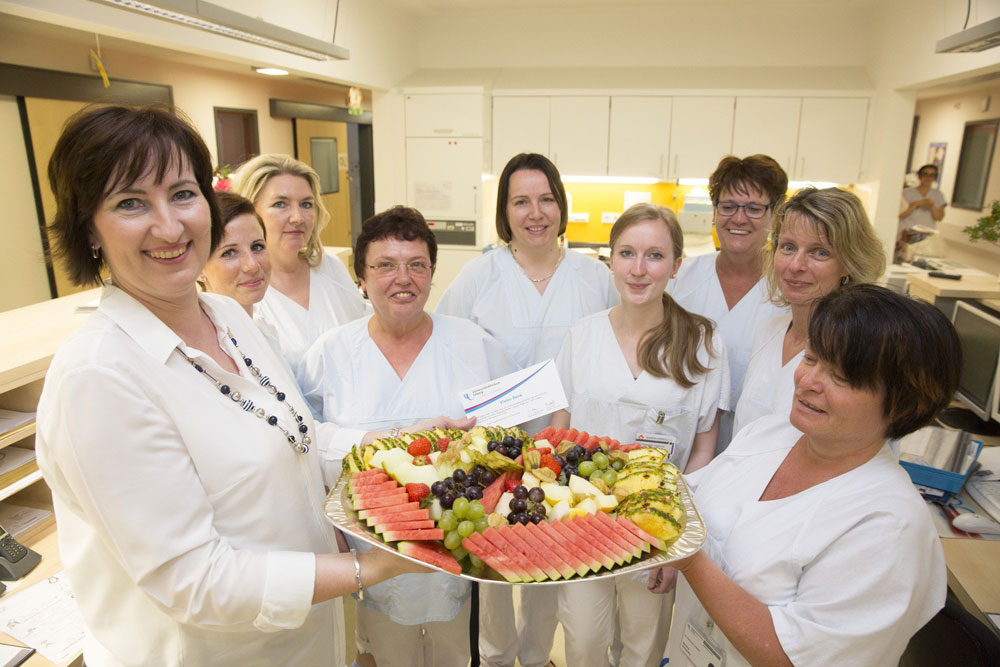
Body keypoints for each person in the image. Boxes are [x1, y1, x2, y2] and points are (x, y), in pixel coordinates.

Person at [34, 104, 425, 666]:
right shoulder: (98, 378)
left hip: (303, 639)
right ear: (87, 229)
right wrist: (373, 567)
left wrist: (403, 442)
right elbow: (195, 580)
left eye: (183, 194)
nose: (169, 226)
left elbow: (294, 439)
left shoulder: (226, 315)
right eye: (130, 202)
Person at [662, 284, 956, 666]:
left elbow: (793, 656)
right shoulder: (769, 433)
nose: (809, 382)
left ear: (901, 404)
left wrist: (689, 560)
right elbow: (686, 497)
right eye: (813, 358)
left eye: (842, 377)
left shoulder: (889, 526)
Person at [298, 206, 516, 667]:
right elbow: (306, 440)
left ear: (432, 274)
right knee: (387, 649)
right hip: (369, 545)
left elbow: (509, 439)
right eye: (385, 265)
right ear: (361, 277)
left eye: (417, 265)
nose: (404, 278)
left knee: (455, 652)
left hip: (457, 550)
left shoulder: (475, 345)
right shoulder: (330, 354)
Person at [436, 152, 618, 667]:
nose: (535, 213)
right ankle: (495, 658)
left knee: (549, 553)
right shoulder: (479, 276)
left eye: (546, 199)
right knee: (494, 563)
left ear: (562, 206)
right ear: (505, 210)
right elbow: (444, 345)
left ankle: (537, 657)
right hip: (494, 449)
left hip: (567, 453)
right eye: (521, 201)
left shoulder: (593, 277)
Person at [549, 203, 729, 667]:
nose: (638, 269)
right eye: (627, 253)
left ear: (676, 265)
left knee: (643, 650)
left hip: (655, 531)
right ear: (611, 260)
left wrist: (677, 544)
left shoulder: (704, 343)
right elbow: (562, 432)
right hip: (582, 525)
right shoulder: (583, 336)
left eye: (654, 255)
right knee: (584, 644)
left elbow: (705, 449)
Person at [732, 186, 885, 436]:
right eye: (788, 247)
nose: (796, 265)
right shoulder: (768, 333)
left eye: (820, 252)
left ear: (849, 263)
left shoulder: (859, 353)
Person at [667, 154, 789, 451]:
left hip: (761, 443)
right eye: (728, 206)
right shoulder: (680, 279)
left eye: (754, 208)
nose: (738, 218)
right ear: (714, 211)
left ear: (775, 214)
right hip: (685, 438)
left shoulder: (790, 288)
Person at [230, 153, 367, 369]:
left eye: (306, 204)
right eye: (280, 204)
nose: (297, 217)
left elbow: (363, 334)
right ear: (250, 211)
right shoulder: (245, 288)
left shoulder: (329, 267)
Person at [199, 190, 271, 316]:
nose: (252, 265)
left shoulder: (264, 328)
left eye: (257, 247)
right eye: (229, 253)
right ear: (198, 268)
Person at [896, 163, 948, 262]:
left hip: (927, 236)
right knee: (903, 260)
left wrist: (932, 206)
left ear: (935, 178)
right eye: (925, 174)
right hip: (906, 234)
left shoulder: (938, 195)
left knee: (921, 262)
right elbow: (900, 214)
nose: (928, 178)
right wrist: (916, 204)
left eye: (931, 175)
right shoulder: (906, 193)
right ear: (919, 176)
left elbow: (939, 217)